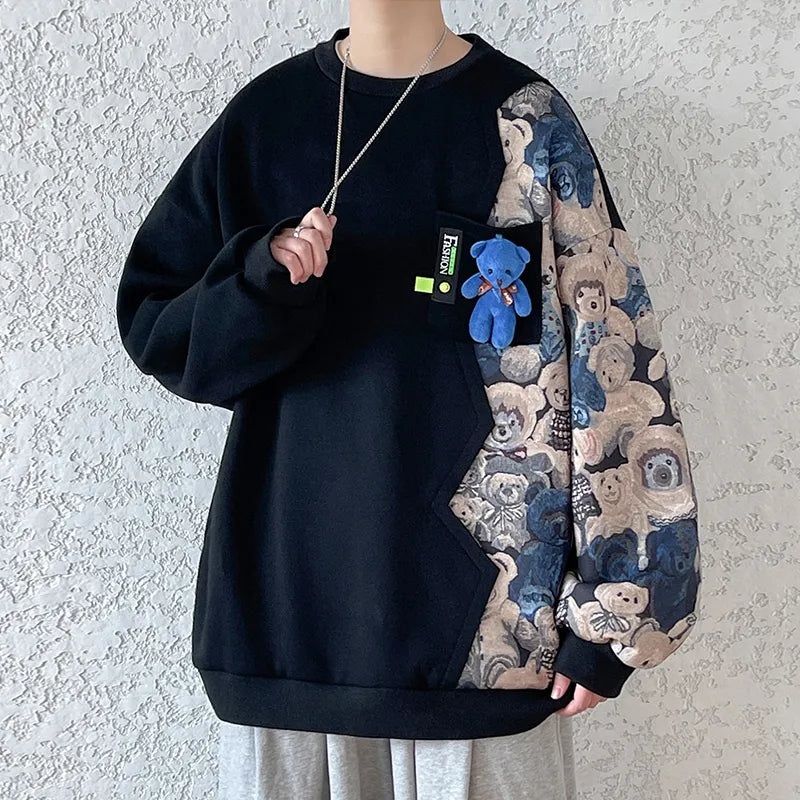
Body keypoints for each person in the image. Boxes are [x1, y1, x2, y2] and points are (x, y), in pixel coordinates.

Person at [115, 1, 702, 797]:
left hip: (489, 642)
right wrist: (259, 280)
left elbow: (615, 361)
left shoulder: (526, 120)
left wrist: (615, 611)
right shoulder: (268, 118)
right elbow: (161, 330)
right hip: (289, 625)